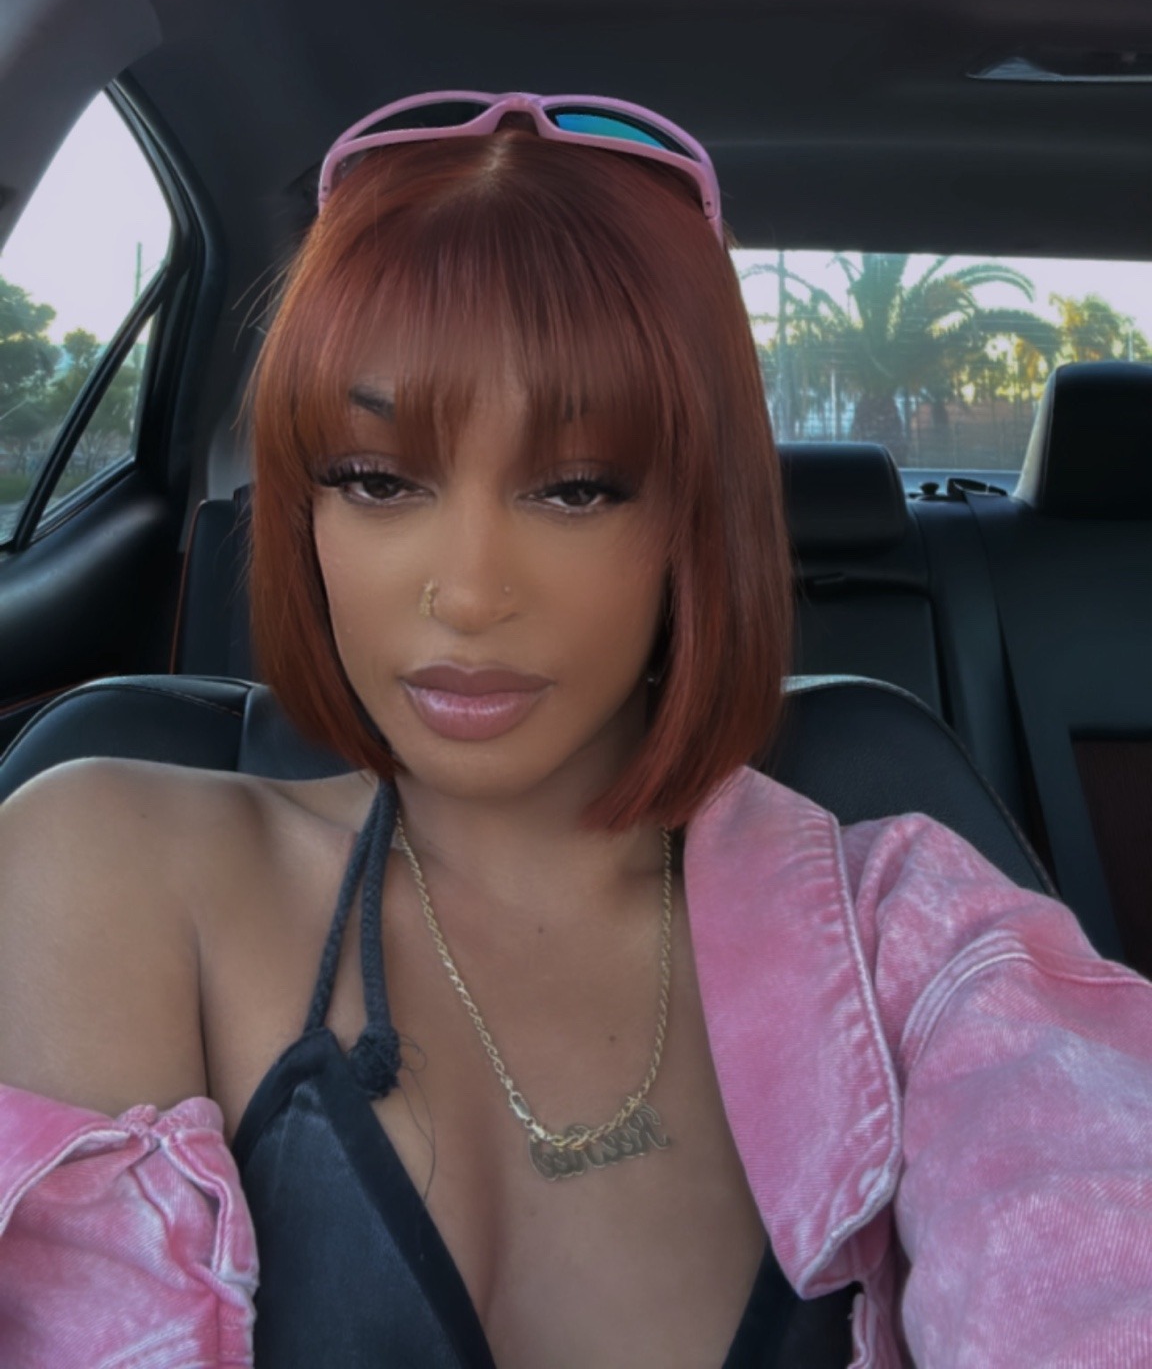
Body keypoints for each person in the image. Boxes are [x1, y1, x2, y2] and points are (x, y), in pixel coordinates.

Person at [1, 89, 1151, 1369]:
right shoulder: (102, 861)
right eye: (377, 478)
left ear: (692, 517)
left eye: (577, 487)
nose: (469, 591)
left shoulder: (915, 937)